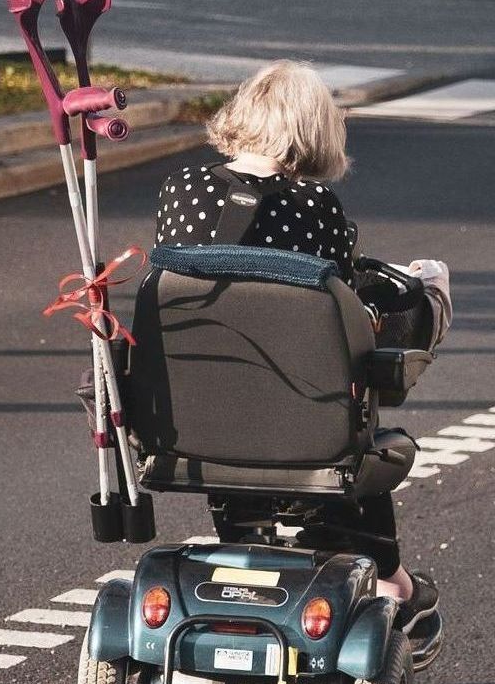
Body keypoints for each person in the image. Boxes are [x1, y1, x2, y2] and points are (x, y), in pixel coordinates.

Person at [155, 60, 446, 634]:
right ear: (315, 130)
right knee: (364, 433)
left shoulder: (182, 187)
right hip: (300, 412)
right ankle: (391, 580)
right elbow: (339, 301)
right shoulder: (314, 204)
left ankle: (246, 549)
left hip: (195, 410)